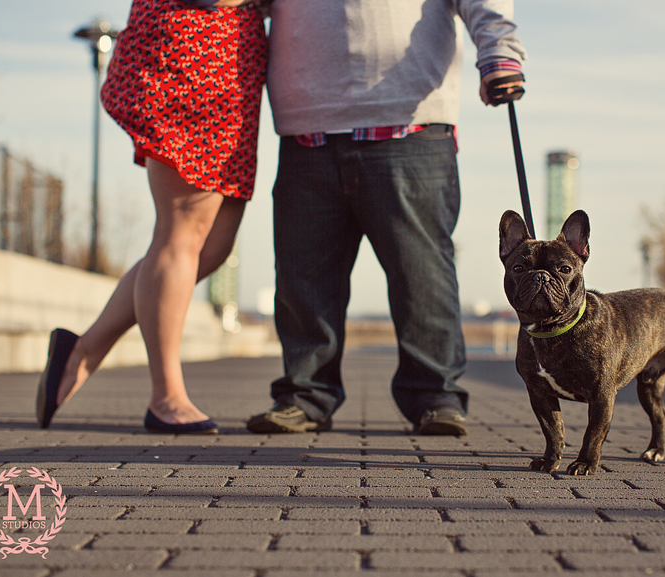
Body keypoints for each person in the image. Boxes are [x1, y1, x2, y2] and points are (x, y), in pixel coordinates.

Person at [246, 0, 526, 435]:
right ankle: (304, 394)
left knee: (421, 275)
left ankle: (436, 395)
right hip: (307, 127)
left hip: (408, 122)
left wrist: (499, 51)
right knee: (303, 277)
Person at [36, 0, 267, 434]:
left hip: (231, 64)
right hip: (196, 50)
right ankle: (166, 397)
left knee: (211, 247)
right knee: (180, 233)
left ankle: (81, 353)